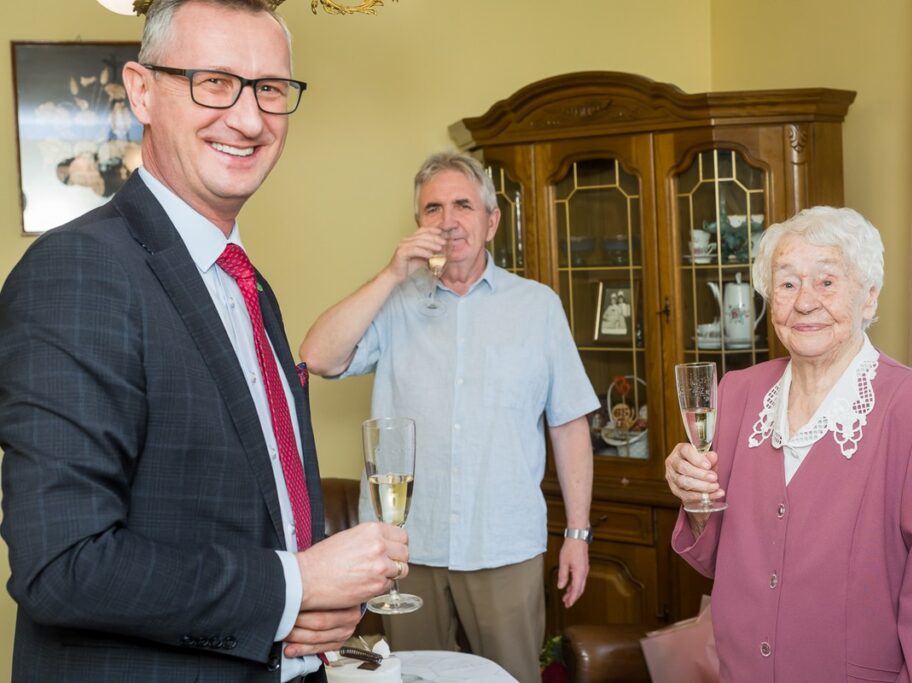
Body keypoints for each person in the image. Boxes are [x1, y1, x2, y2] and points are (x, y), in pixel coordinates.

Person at [0, 1, 408, 681]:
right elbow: (63, 564)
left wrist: (313, 602)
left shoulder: (246, 283)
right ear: (141, 91)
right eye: (213, 82)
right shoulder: (79, 270)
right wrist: (293, 585)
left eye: (270, 89)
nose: (249, 119)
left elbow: (245, 507)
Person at [300, 151, 598, 683]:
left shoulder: (538, 306)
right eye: (432, 208)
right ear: (419, 224)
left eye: (463, 204)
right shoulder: (394, 301)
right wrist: (391, 275)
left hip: (504, 544)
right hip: (408, 549)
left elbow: (569, 423)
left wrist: (578, 531)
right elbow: (318, 357)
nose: (448, 220)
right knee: (414, 680)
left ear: (492, 220)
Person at [665, 206, 912, 681]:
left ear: (869, 298)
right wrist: (695, 497)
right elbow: (715, 556)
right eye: (787, 283)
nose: (804, 302)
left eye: (827, 282)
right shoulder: (736, 394)